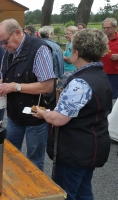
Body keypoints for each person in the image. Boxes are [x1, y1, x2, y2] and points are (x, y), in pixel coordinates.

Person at [34, 28, 112, 200]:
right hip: (92, 144)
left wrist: (43, 113)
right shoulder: (100, 74)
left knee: (66, 193)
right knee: (83, 190)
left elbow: (58, 119)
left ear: (76, 53)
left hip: (75, 151)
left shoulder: (80, 82)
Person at [0, 18, 55, 171]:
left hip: (36, 112)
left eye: (5, 42)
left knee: (34, 159)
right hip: (14, 114)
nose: (4, 47)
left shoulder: (39, 49)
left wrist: (15, 87)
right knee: (10, 154)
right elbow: (4, 77)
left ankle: (34, 192)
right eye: (0, 43)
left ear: (18, 33)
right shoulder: (9, 51)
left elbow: (48, 86)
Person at [38, 26, 65, 109]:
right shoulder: (56, 47)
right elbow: (60, 63)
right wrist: (60, 76)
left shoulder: (36, 45)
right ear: (51, 34)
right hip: (53, 77)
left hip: (38, 78)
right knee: (50, 102)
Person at [101, 18, 118, 106]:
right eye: (104, 28)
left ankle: (113, 116)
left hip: (115, 74)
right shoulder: (101, 39)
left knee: (113, 97)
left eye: (108, 28)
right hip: (100, 72)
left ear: (115, 27)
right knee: (102, 95)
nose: (106, 30)